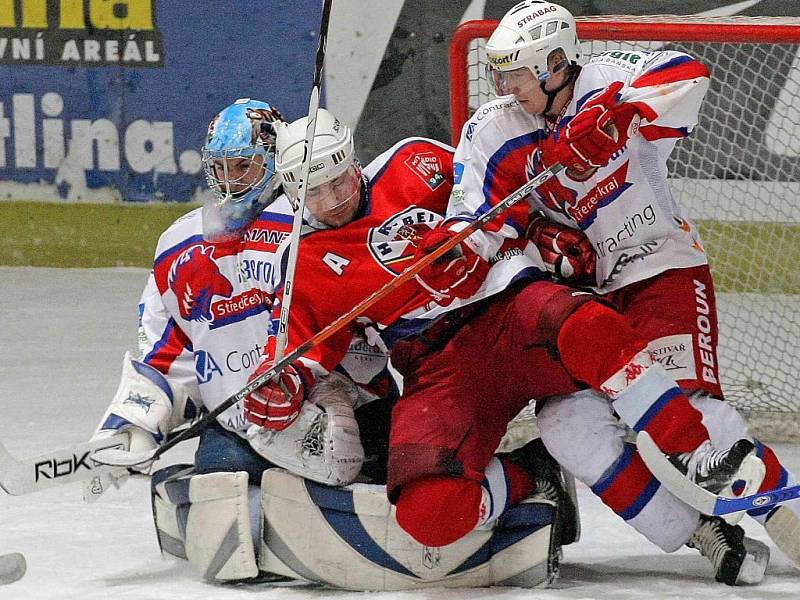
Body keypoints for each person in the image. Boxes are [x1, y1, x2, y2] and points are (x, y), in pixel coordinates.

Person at [243, 107, 765, 586]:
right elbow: (298, 357)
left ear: (354, 160)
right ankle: (534, 475)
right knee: (429, 514)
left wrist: (543, 234)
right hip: (439, 365)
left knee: (590, 328)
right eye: (315, 192)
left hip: (510, 304)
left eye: (340, 179)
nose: (335, 198)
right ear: (292, 194)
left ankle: (692, 448)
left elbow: (505, 198)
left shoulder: (415, 161)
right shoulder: (302, 267)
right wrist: (278, 387)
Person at [449, 0, 797, 582]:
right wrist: (529, 238)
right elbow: (476, 226)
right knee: (567, 428)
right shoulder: (494, 129)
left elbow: (687, 71)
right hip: (577, 304)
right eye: (499, 74)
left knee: (695, 415)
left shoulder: (611, 77)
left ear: (555, 64)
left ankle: (784, 511)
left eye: (516, 73)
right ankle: (700, 531)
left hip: (659, 267)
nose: (505, 86)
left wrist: (618, 114)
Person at [84, 98, 395, 582]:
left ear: (274, 163)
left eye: (245, 167)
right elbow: (169, 354)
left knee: (395, 461)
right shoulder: (179, 247)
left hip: (347, 408)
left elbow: (371, 328)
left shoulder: (317, 223)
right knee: (221, 472)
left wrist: (336, 391)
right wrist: (140, 422)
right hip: (242, 427)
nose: (231, 182)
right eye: (221, 169)